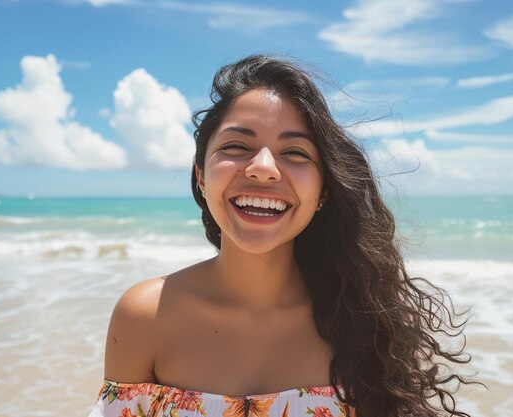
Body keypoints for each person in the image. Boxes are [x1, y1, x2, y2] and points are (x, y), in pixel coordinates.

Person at [88, 55, 475, 417]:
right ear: (202, 177)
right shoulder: (145, 316)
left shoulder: (362, 319)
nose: (264, 168)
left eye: (295, 153)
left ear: (324, 190)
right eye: (237, 146)